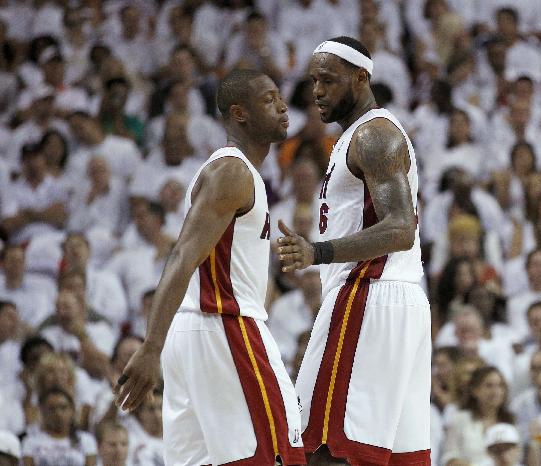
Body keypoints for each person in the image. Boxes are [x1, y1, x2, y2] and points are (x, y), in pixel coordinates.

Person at [113, 69, 305, 466]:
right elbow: (184, 254)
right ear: (240, 113)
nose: (283, 106)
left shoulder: (240, 173)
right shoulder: (231, 171)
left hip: (196, 333)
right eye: (269, 99)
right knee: (277, 457)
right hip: (226, 328)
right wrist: (151, 345)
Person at [277, 36, 431, 466]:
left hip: (369, 294)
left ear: (361, 77)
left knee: (322, 448)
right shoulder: (354, 139)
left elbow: (400, 228)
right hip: (399, 302)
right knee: (397, 458)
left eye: (328, 80)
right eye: (312, 82)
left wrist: (318, 252)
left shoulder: (375, 134)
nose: (317, 92)